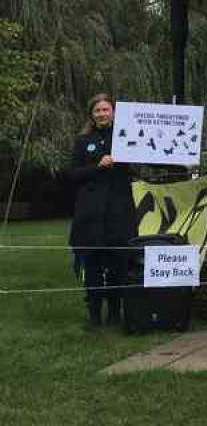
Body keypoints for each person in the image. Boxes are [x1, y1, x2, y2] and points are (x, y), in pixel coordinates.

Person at [67, 94, 138, 328]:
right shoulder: (82, 141)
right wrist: (97, 166)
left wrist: (183, 161)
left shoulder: (127, 138)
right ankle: (95, 314)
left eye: (105, 109)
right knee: (93, 265)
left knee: (119, 264)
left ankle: (116, 313)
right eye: (97, 110)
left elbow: (150, 157)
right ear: (91, 114)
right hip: (91, 214)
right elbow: (72, 175)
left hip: (119, 212)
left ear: (114, 112)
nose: (101, 114)